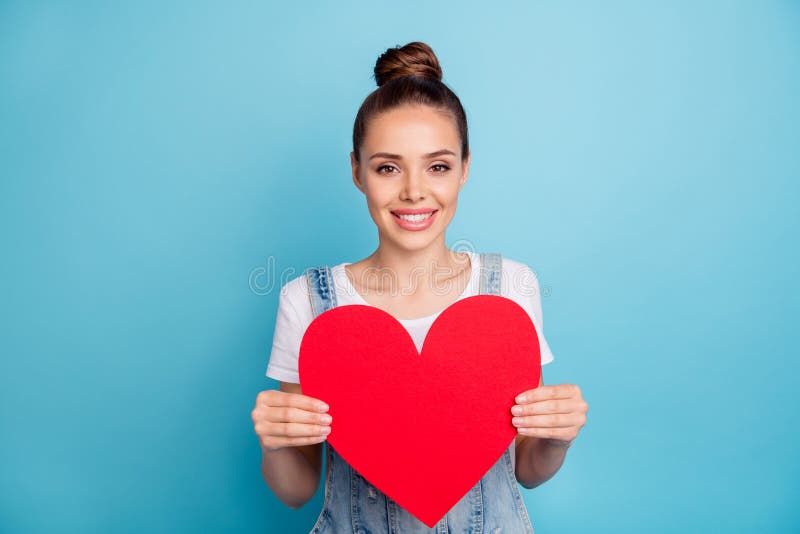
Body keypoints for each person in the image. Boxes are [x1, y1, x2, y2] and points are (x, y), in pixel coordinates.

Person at [251, 41, 589, 533]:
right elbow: (296, 491)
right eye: (388, 167)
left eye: (438, 166)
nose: (414, 190)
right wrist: (275, 441)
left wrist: (556, 438)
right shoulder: (308, 301)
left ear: (464, 169)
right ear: (357, 171)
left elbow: (526, 470)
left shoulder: (510, 289)